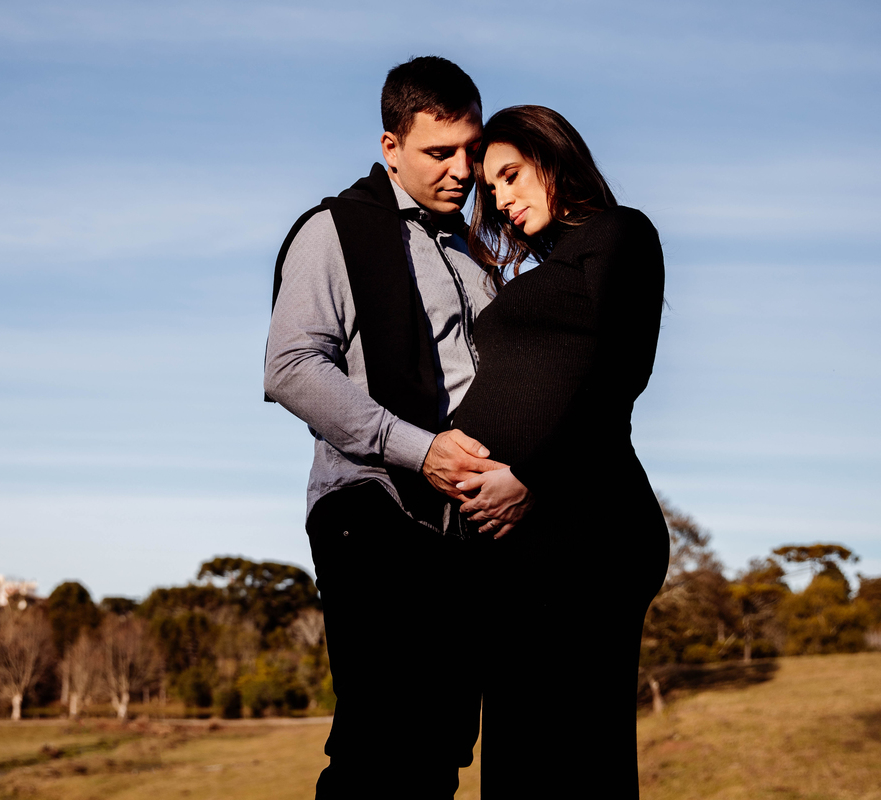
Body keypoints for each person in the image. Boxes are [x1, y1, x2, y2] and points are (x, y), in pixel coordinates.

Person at [263, 56, 498, 798]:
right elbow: (291, 367)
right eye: (440, 152)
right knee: (381, 745)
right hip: (373, 510)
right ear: (390, 146)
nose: (463, 171)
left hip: (466, 524)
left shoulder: (476, 248)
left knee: (441, 749)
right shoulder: (332, 231)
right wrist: (419, 451)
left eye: (472, 150)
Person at [450, 105, 672, 797]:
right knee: (522, 754)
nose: (501, 199)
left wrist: (532, 476)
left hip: (587, 526)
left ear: (552, 156)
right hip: (526, 540)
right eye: (491, 188)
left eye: (511, 174)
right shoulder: (545, 270)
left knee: (579, 754)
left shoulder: (620, 232)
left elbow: (621, 370)